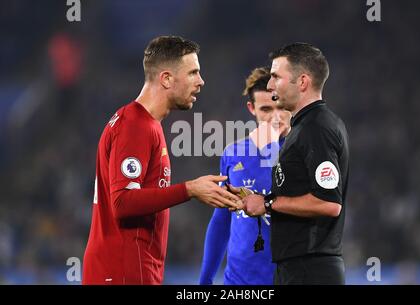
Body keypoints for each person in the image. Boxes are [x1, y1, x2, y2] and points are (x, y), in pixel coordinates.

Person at [82, 36, 241, 285]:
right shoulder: (135, 126)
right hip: (124, 272)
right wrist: (189, 189)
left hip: (124, 270)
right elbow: (122, 202)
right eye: (193, 73)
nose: (201, 81)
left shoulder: (143, 123)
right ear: (166, 78)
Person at [239, 43, 350, 285]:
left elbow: (329, 202)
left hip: (310, 270)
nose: (269, 86)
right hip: (297, 266)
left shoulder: (316, 128)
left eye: (276, 77)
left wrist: (267, 203)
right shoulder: (304, 127)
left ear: (302, 82)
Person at [199, 67, 291, 285]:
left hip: (288, 277)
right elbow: (221, 221)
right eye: (266, 109)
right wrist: (205, 279)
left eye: (280, 106)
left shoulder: (307, 152)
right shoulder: (234, 154)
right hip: (239, 281)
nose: (275, 116)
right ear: (252, 109)